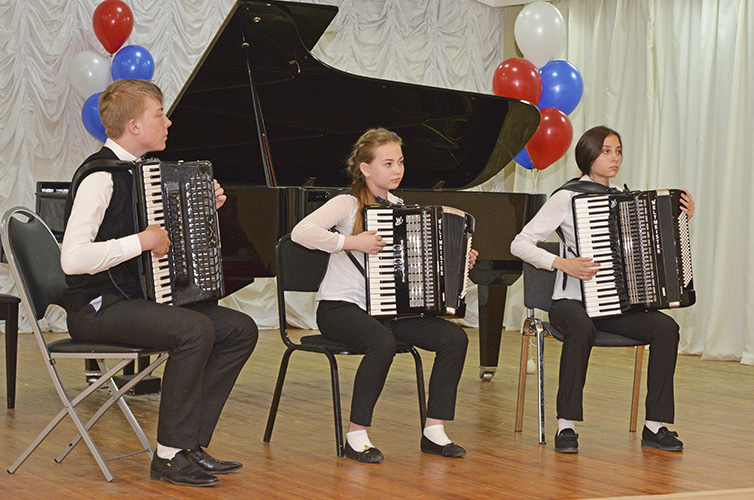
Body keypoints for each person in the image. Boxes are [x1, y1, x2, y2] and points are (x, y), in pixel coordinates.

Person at [60, 79, 259, 487]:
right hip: (96, 308)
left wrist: (205, 202)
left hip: (137, 301)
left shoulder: (146, 174)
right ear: (134, 125)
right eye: (159, 115)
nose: (168, 122)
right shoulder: (100, 177)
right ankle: (168, 455)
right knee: (194, 330)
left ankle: (189, 445)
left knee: (240, 329)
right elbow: (73, 259)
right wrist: (142, 241)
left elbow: (170, 239)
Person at [290, 127, 474, 463]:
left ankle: (434, 431)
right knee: (382, 342)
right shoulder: (346, 204)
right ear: (365, 168)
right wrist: (351, 242)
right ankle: (356, 435)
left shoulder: (402, 209)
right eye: (388, 163)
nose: (397, 170)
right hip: (339, 308)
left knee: (453, 339)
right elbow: (301, 232)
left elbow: (418, 265)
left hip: (387, 310)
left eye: (400, 162)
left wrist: (459, 260)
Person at [510, 125, 694, 454]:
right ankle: (566, 425)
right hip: (570, 302)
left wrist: (680, 219)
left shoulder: (625, 199)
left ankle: (655, 426)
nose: (615, 158)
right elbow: (520, 244)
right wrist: (561, 263)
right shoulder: (566, 197)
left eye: (618, 151)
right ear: (588, 154)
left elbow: (650, 245)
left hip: (612, 305)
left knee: (666, 328)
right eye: (607, 151)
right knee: (582, 329)